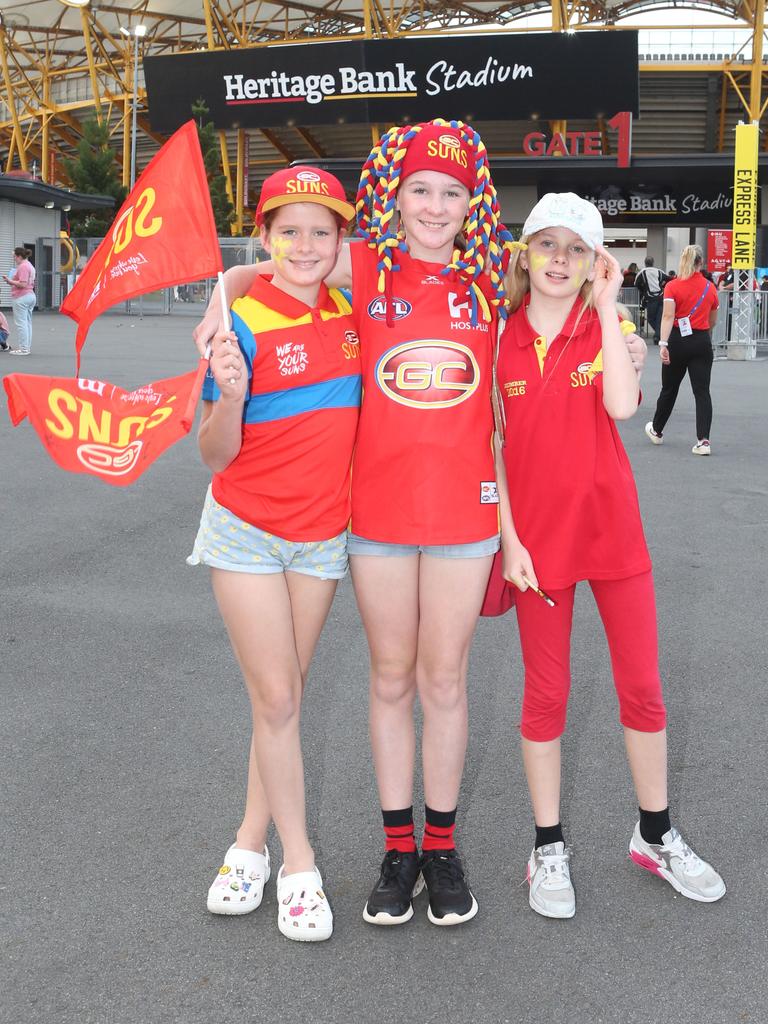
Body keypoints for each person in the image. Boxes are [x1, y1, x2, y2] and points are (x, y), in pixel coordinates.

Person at [194, 126, 648, 929]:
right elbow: (266, 265)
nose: (435, 206)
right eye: (419, 190)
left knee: (445, 682)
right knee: (390, 679)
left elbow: (556, 322)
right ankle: (396, 849)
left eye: (450, 192)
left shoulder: (485, 285)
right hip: (373, 518)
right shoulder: (359, 263)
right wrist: (217, 305)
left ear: (471, 200)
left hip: (465, 520)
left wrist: (624, 332)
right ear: (394, 197)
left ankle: (441, 848)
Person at [492, 192, 725, 919]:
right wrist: (508, 537)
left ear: (598, 262)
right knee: (547, 694)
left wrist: (605, 311)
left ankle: (654, 835)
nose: (559, 260)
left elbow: (625, 409)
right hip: (537, 544)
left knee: (643, 689)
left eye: (576, 249)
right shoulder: (495, 338)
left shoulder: (608, 326)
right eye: (546, 244)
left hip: (613, 531)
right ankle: (547, 845)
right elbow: (491, 447)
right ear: (525, 253)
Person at [188, 167, 360, 942]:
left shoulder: (356, 307)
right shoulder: (240, 324)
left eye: (321, 231)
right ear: (265, 237)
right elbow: (213, 455)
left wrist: (234, 269)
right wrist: (226, 393)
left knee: (280, 698)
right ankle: (299, 866)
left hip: (324, 534)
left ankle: (246, 844)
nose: (304, 245)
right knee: (282, 700)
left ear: (340, 240)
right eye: (287, 231)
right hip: (245, 529)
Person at [644, 244, 719, 456]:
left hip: (677, 340)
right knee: (702, 391)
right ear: (700, 263)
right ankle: (703, 441)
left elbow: (667, 316)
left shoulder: (673, 286)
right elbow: (712, 320)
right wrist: (701, 333)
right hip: (701, 341)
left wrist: (663, 343)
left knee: (669, 388)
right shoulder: (710, 287)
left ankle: (657, 430)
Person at [2, 247, 36, 356]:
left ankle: (24, 349)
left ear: (19, 256)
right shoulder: (30, 265)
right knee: (27, 323)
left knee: (21, 323)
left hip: (22, 297)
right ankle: (26, 347)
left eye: (14, 257)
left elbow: (22, 284)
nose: (14, 259)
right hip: (30, 295)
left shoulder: (23, 266)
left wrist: (10, 281)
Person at [634, 257, 668, 343]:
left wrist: (643, 290)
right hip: (661, 297)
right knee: (659, 318)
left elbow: (636, 284)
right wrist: (662, 285)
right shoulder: (659, 271)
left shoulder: (642, 272)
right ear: (653, 262)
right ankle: (658, 335)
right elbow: (668, 279)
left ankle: (658, 335)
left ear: (645, 263)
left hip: (650, 299)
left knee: (651, 318)